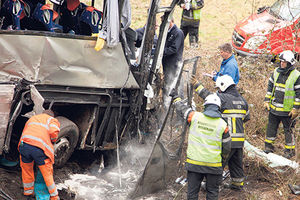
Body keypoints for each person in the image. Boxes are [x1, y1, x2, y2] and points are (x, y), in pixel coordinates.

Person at [192, 74, 250, 190]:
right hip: (239, 141)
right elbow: (246, 118)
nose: (218, 91)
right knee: (236, 163)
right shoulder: (243, 101)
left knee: (218, 164)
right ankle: (237, 185)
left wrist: (197, 85)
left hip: (227, 139)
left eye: (218, 88)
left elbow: (209, 97)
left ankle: (212, 186)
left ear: (223, 86)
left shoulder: (221, 98)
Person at [171, 93, 231, 200]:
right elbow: (227, 148)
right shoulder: (223, 125)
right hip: (214, 166)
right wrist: (222, 162)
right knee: (212, 193)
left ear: (205, 106)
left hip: (194, 165)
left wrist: (176, 99)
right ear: (218, 108)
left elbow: (182, 109)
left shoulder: (195, 116)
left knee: (192, 193)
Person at [263, 50, 300, 159]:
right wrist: (266, 101)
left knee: (288, 131)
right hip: (274, 109)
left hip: (287, 112)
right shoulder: (276, 72)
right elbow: (270, 88)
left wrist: (296, 109)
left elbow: (298, 94)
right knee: (271, 128)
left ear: (289, 63)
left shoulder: (296, 75)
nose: (281, 63)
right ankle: (268, 147)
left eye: (284, 62)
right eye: (281, 61)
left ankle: (289, 151)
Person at [18, 109, 60, 200]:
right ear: (51, 116)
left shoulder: (32, 118)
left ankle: (28, 192)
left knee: (27, 170)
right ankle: (54, 196)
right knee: (47, 173)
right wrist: (53, 140)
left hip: (24, 146)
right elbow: (53, 132)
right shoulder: (51, 120)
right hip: (38, 149)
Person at [161, 15, 184, 107]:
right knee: (167, 83)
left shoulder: (178, 33)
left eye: (164, 23)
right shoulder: (167, 32)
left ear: (170, 22)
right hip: (167, 64)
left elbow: (174, 48)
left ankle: (176, 104)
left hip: (174, 64)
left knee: (174, 84)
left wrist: (161, 52)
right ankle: (166, 104)